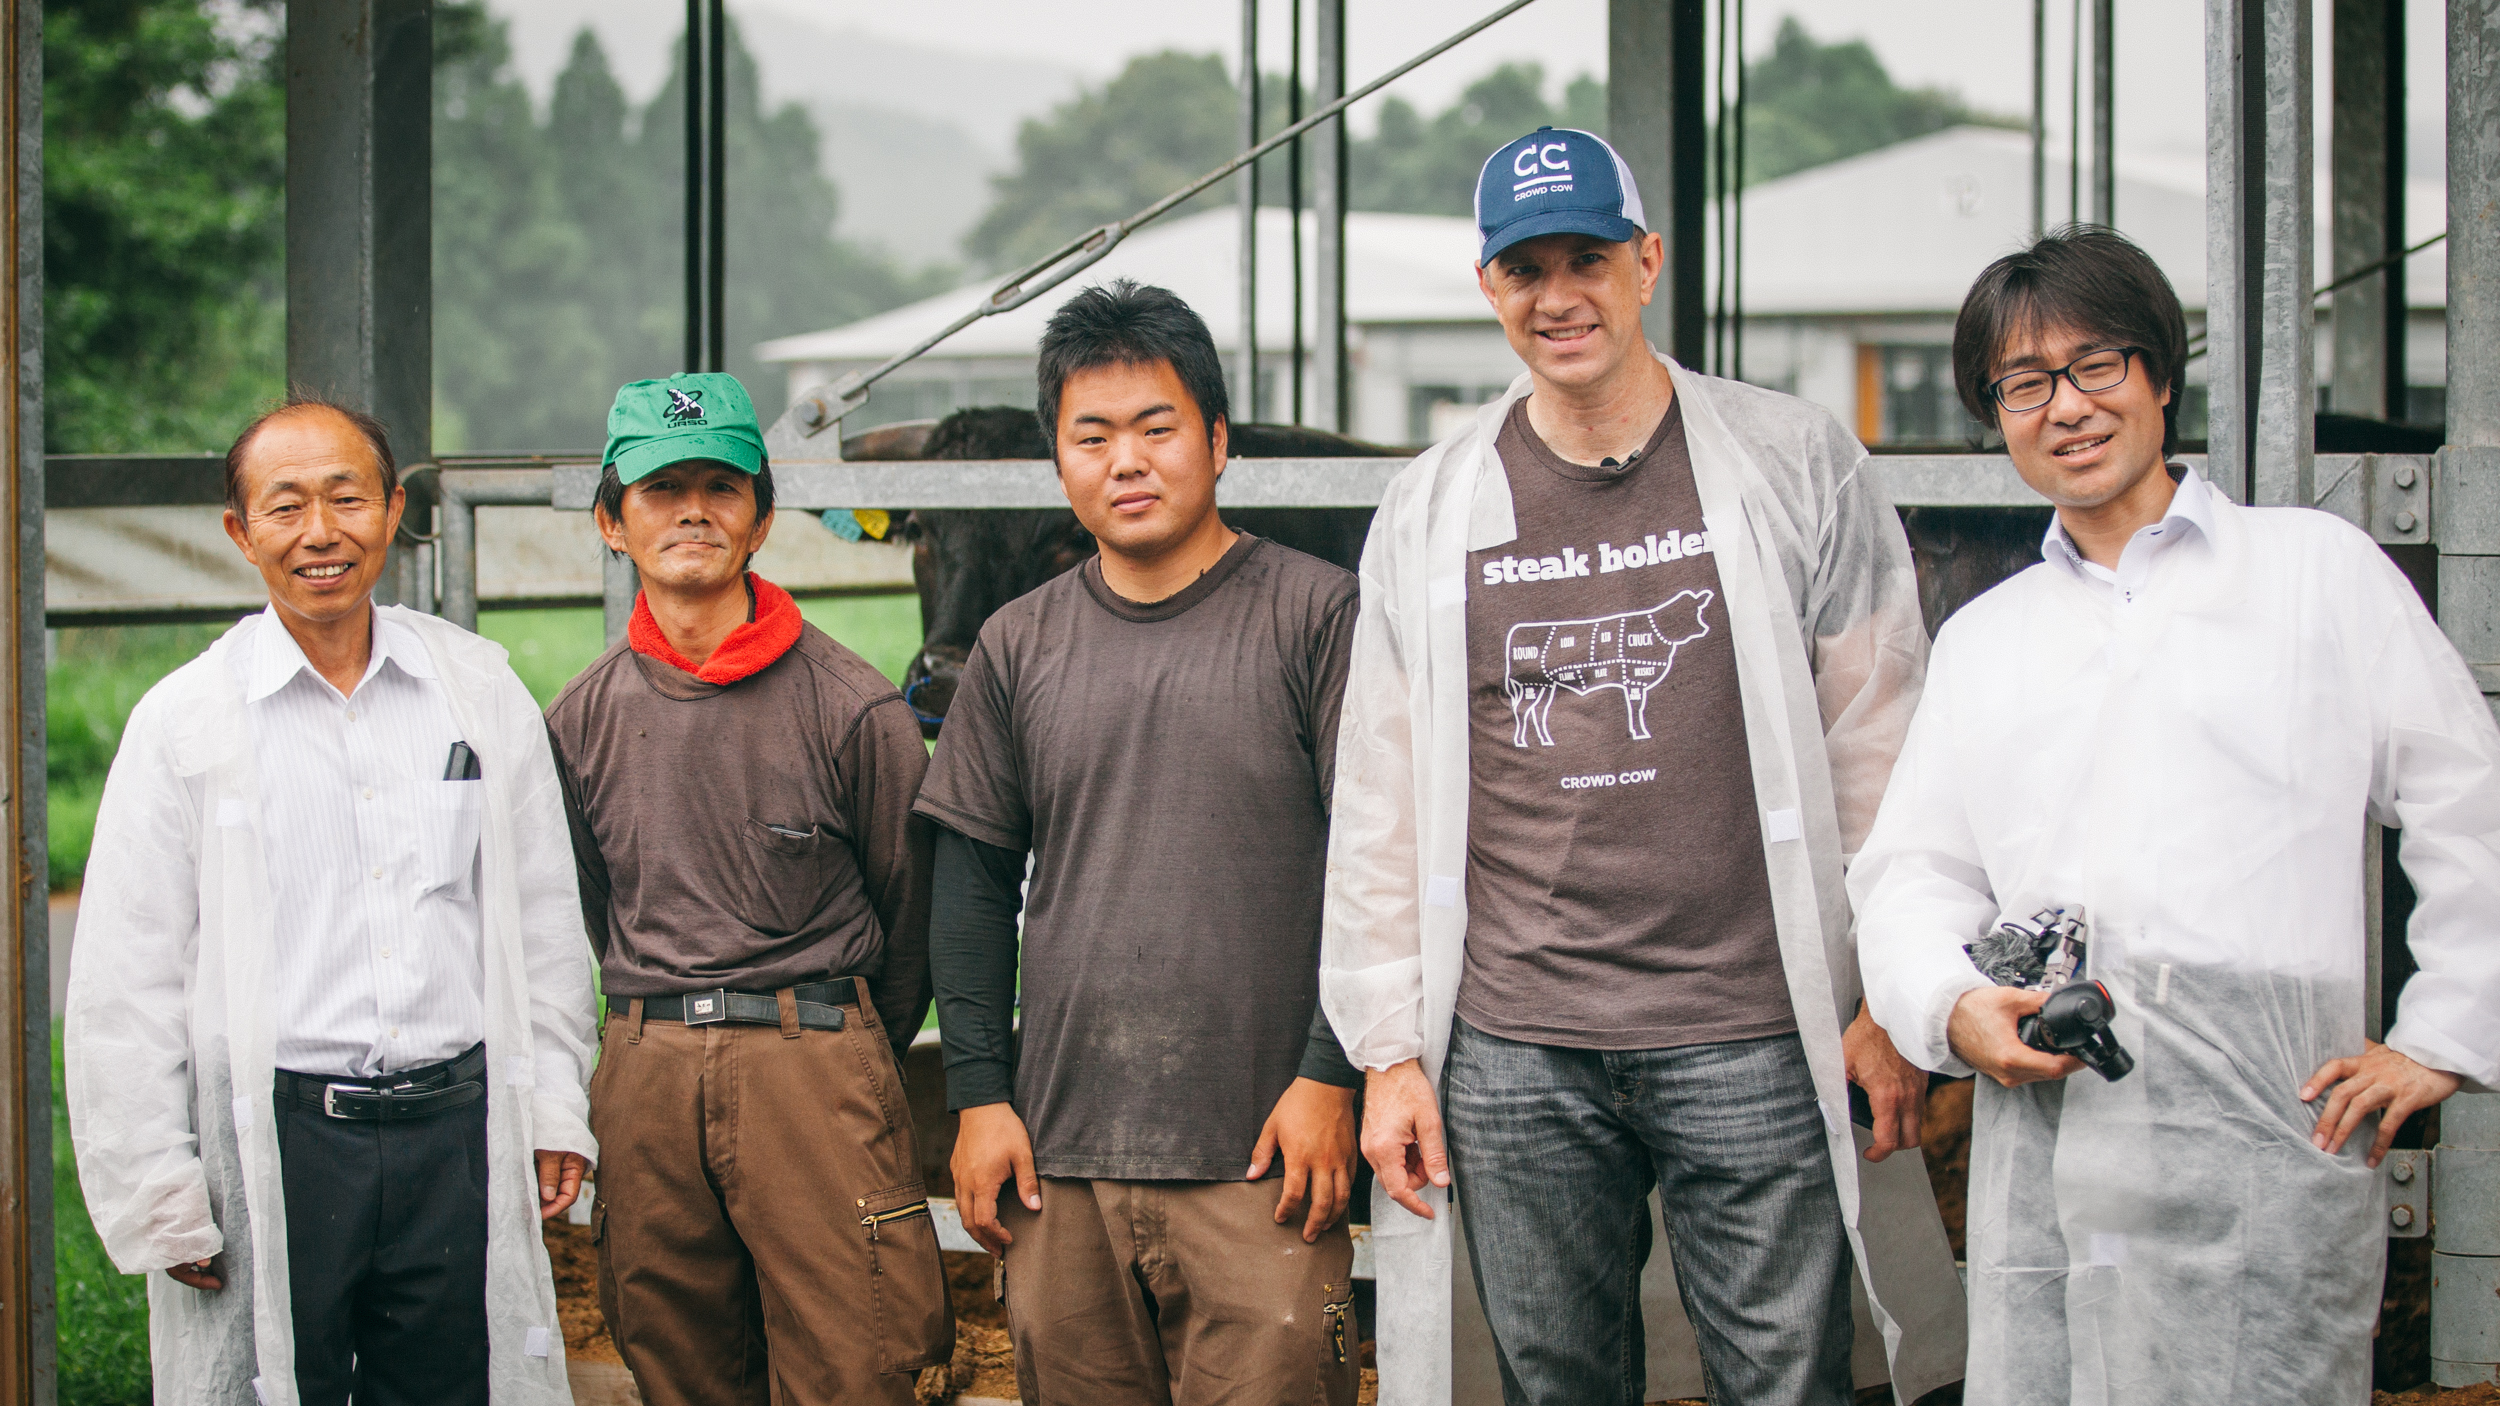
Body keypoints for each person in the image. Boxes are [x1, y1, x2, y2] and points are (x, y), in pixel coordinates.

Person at [1321, 126, 1968, 1406]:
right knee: (1556, 1380)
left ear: (1646, 261)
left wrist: (1883, 997)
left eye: (1588, 258)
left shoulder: (1789, 462)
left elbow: (1881, 745)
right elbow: (1380, 789)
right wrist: (1389, 1047)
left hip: (1754, 1026)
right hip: (1516, 1043)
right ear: (1488, 286)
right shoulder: (1434, 500)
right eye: (1525, 269)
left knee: (1785, 1375)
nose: (1558, 296)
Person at [1850, 226, 2500, 1405]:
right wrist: (1951, 1007)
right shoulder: (1991, 639)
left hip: (2264, 1127)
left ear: (2157, 375)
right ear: (1996, 415)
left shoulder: (2314, 574)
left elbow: (2469, 801)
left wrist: (2442, 1031)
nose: (2067, 406)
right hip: (2052, 1127)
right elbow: (1912, 872)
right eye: (2025, 383)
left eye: (2096, 365)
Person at [64, 397, 598, 1405]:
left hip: (455, 1130)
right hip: (283, 1135)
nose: (321, 532)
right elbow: (125, 974)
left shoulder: (476, 690)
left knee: (455, 1386)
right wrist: (159, 1189)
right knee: (277, 1384)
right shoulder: (188, 720)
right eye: (287, 505)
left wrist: (555, 1102)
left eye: (348, 497)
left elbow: (541, 918)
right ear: (241, 531)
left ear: (392, 511)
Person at [922, 280, 1366, 1406]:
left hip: (1262, 1155)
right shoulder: (1015, 645)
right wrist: (978, 1095)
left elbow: (1379, 863)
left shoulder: (1319, 617)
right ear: (1059, 465)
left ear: (1217, 442)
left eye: (1156, 427)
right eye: (1092, 435)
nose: (1127, 460)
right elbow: (971, 883)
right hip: (1060, 1160)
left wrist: (1329, 1071)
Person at [542, 372, 951, 1406]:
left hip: (810, 1056)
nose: (692, 510)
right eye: (660, 487)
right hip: (646, 1060)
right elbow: (592, 905)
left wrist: (838, 1047)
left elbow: (911, 919)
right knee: (673, 1350)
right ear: (611, 520)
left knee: (854, 1353)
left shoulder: (852, 706)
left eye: (721, 487)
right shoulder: (578, 719)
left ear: (762, 517)